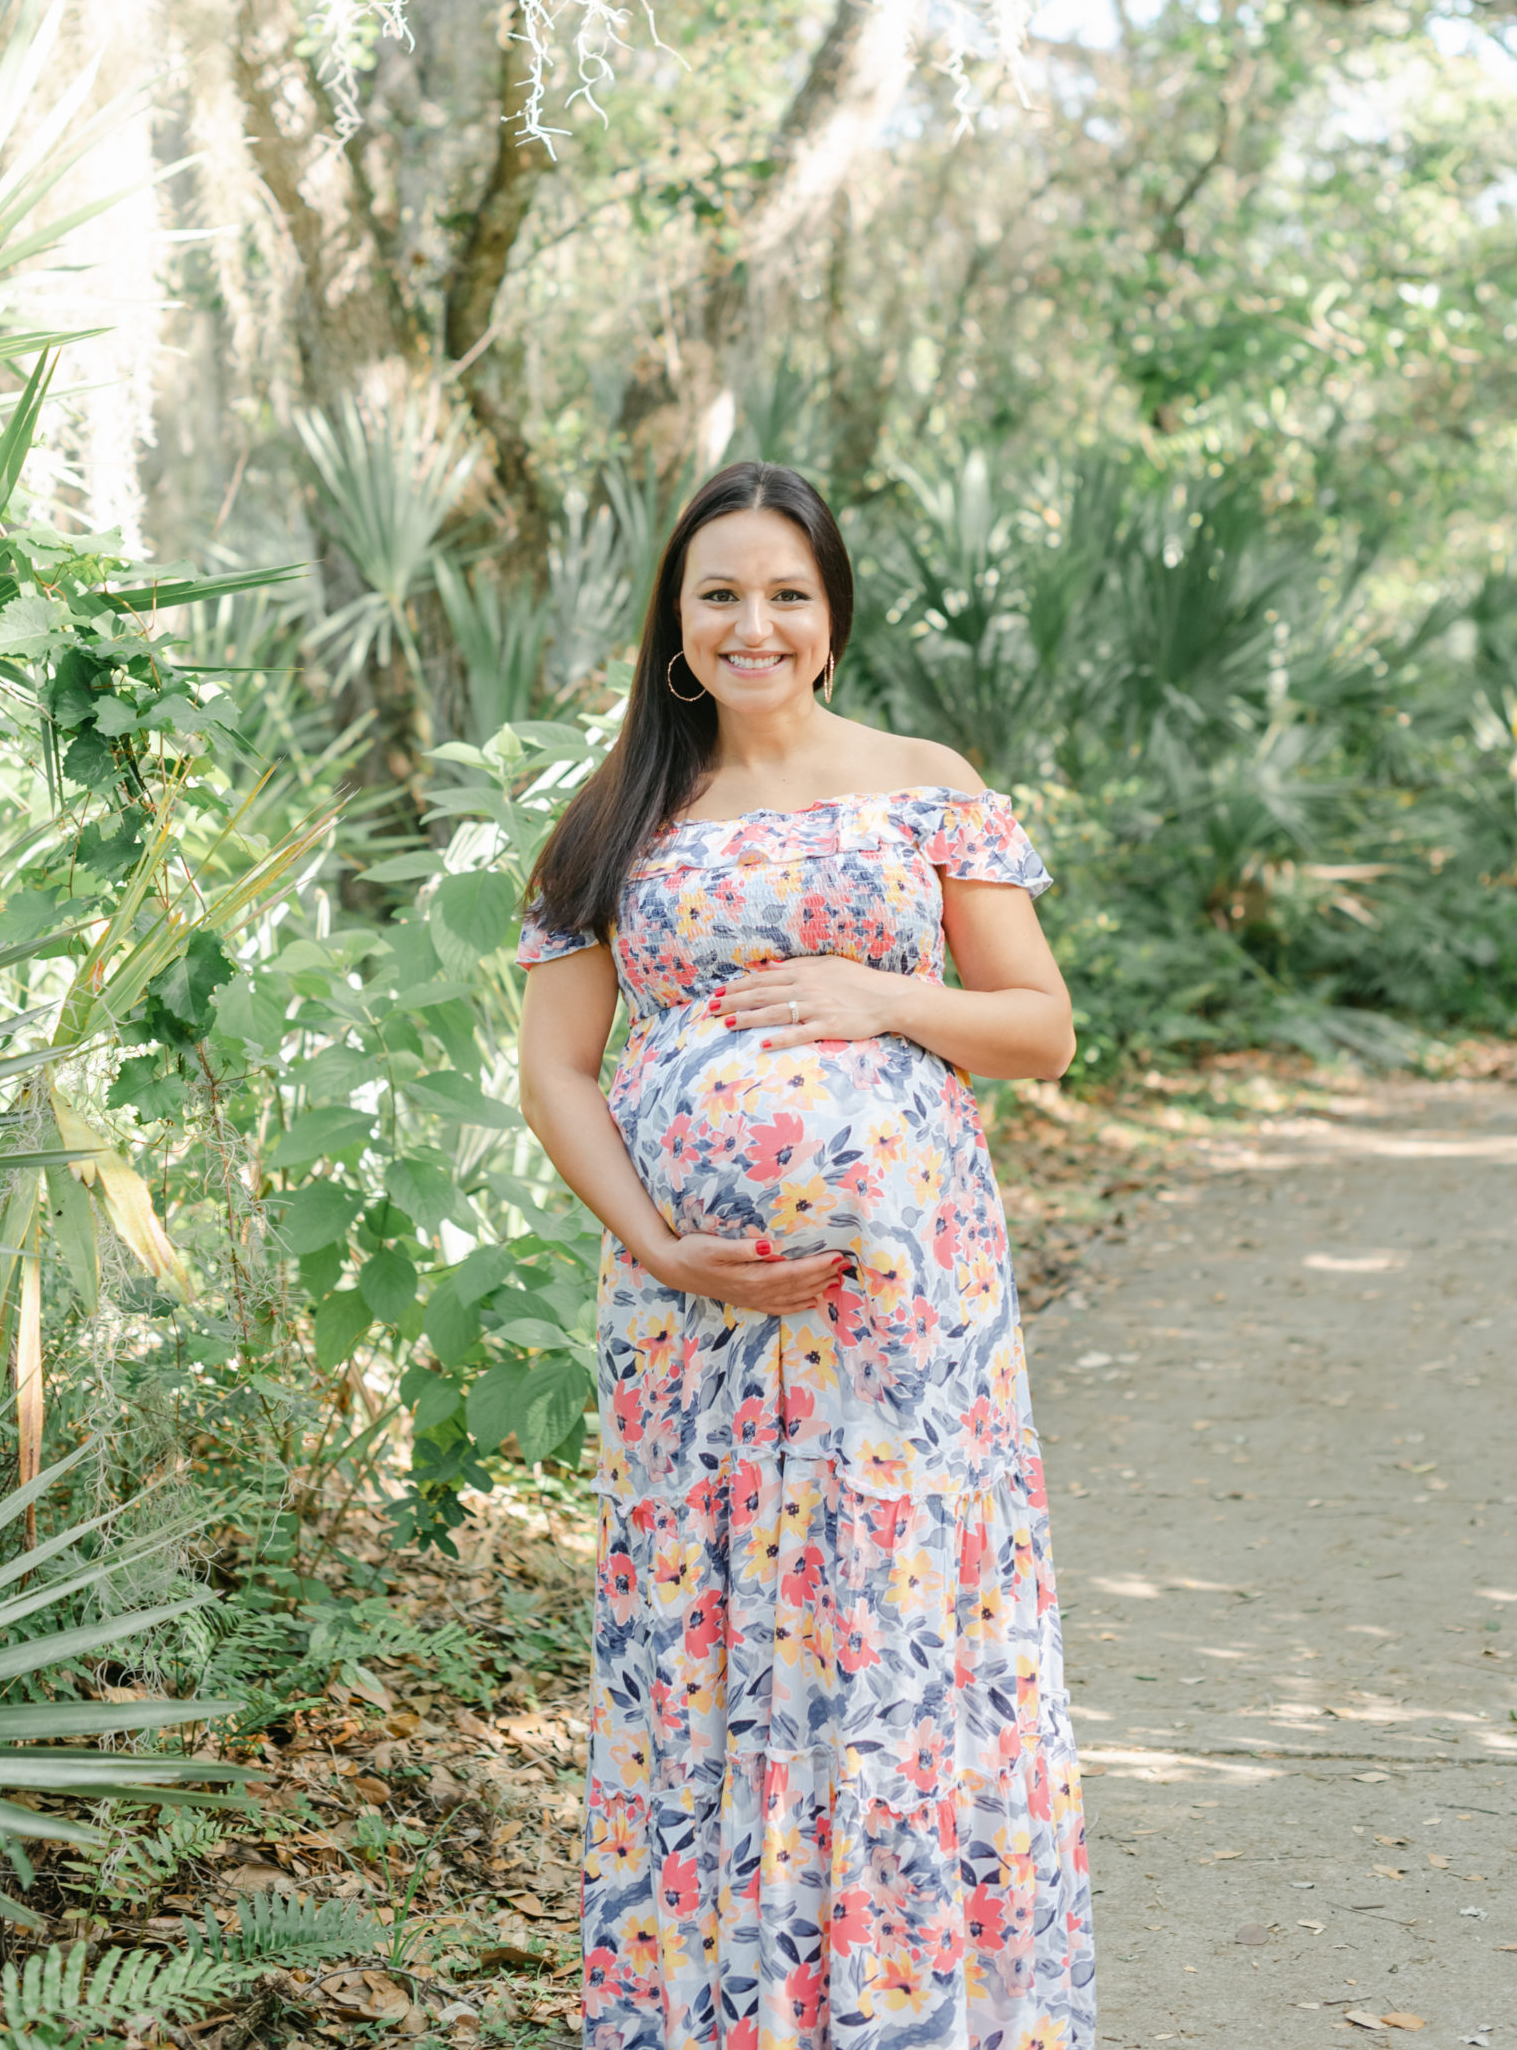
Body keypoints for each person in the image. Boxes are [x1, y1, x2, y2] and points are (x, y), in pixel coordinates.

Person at [517, 460, 1095, 2050]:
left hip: (906, 1326)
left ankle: (913, 2015)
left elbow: (1039, 1028)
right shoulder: (620, 810)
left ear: (829, 616)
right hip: (689, 1322)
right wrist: (659, 1245)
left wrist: (878, 994)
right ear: (676, 623)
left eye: (785, 593)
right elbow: (557, 1067)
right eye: (720, 594)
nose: (752, 622)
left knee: (891, 1631)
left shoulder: (922, 780)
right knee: (712, 1640)